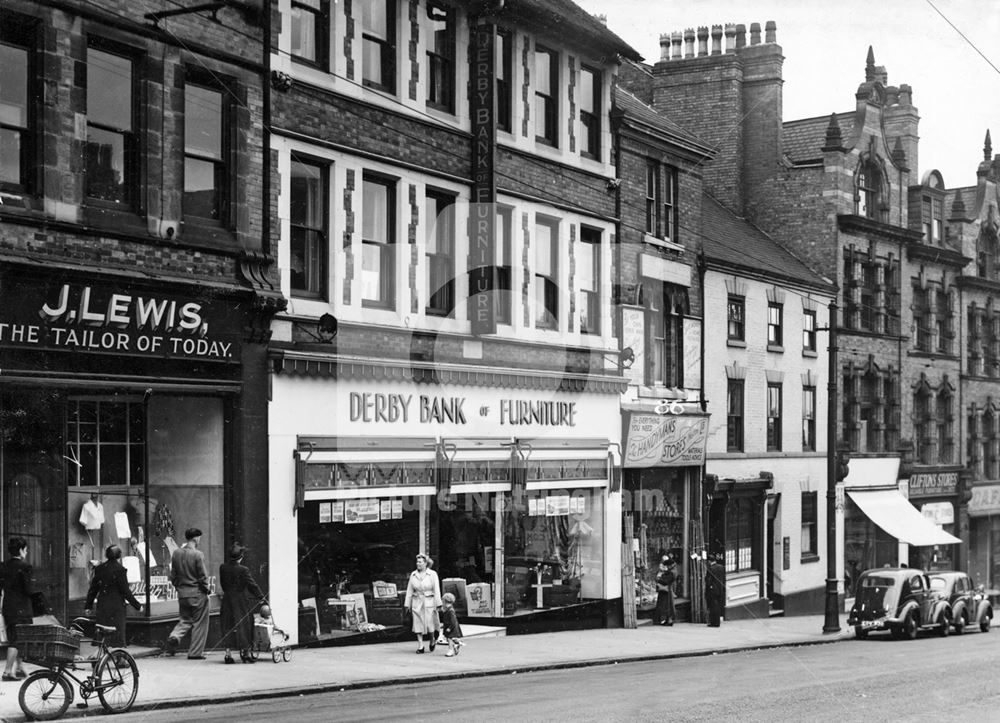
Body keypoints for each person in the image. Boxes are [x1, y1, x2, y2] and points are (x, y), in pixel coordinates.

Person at [165, 528, 211, 660]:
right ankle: (195, 653)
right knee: (199, 623)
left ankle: (175, 636)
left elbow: (173, 576)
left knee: (185, 619)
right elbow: (202, 577)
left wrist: (179, 588)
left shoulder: (176, 554)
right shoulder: (198, 554)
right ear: (196, 538)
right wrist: (206, 589)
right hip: (197, 594)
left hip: (182, 594)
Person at [85, 545, 142, 647]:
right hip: (116, 607)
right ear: (119, 556)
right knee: (118, 635)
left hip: (102, 606)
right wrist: (137, 605)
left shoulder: (100, 569)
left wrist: (88, 606)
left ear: (106, 555)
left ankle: (101, 656)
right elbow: (125, 591)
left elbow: (93, 589)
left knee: (102, 634)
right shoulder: (120, 570)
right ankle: (119, 659)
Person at [219, 543, 264, 665]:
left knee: (227, 625)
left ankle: (228, 655)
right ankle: (246, 653)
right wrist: (261, 596)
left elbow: (223, 585)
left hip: (227, 598)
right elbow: (252, 584)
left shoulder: (222, 567)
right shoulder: (243, 569)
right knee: (244, 625)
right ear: (241, 557)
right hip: (240, 600)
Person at [0, 537, 32, 681]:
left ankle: (19, 668)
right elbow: (28, 589)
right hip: (22, 608)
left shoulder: (2, 566)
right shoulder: (25, 566)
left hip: (8, 606)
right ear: (21, 550)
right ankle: (7, 672)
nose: (27, 552)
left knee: (16, 637)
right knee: (17, 639)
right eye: (25, 549)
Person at [403, 553, 441, 653]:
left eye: (420, 562)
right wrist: (407, 604)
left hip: (429, 601)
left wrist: (438, 603)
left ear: (426, 563)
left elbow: (436, 589)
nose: (418, 564)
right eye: (417, 562)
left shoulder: (432, 574)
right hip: (417, 601)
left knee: (430, 624)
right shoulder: (413, 574)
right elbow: (409, 590)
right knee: (417, 623)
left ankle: (432, 639)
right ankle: (420, 646)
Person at [439, 592, 465, 657]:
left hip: (451, 627)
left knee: (449, 638)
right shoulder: (448, 609)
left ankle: (450, 650)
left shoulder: (450, 611)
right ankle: (455, 645)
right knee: (448, 638)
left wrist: (449, 628)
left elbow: (453, 621)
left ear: (445, 601)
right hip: (450, 626)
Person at [705, 552, 726, 628]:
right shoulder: (721, 567)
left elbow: (708, 580)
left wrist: (709, 586)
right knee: (718, 605)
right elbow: (723, 578)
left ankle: (714, 622)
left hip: (713, 590)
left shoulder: (710, 568)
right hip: (720, 589)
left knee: (713, 606)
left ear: (709, 561)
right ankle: (717, 622)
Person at [655, 555, 676, 626]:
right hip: (667, 590)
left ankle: (669, 620)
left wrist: (659, 580)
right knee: (667, 606)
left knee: (667, 606)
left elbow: (666, 581)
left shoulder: (671, 572)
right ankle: (667, 619)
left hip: (666, 590)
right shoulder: (672, 571)